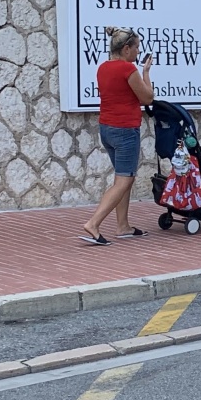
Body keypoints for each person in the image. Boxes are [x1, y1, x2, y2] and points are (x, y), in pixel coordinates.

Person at [81, 26, 154, 244]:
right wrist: (146, 73)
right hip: (125, 130)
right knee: (125, 180)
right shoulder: (128, 69)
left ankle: (123, 225)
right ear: (126, 49)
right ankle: (93, 223)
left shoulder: (103, 67)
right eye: (136, 48)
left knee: (122, 177)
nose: (139, 52)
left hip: (107, 128)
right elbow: (147, 98)